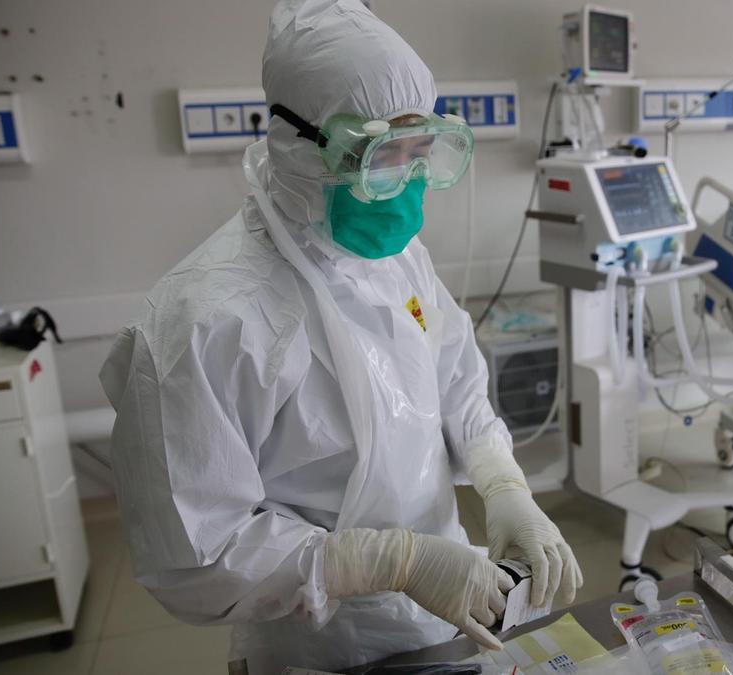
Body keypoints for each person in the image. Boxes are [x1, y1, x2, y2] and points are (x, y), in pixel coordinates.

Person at [98, 2, 582, 673]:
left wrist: (502, 483)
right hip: (315, 646)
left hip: (444, 614)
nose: (405, 183)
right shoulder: (206, 319)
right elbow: (196, 557)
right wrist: (385, 560)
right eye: (382, 155)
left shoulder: (393, 259)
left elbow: (456, 378)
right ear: (299, 142)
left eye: (421, 152)